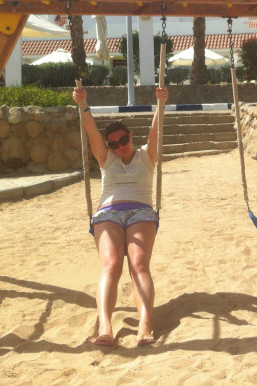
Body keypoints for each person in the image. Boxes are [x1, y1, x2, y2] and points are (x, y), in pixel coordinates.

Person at [73, 85, 168, 347]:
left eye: (123, 140)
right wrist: (83, 104)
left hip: (141, 211)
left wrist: (160, 103)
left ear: (130, 136)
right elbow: (92, 132)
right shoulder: (107, 160)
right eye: (113, 144)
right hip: (109, 213)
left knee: (138, 265)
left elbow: (155, 131)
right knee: (112, 265)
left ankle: (145, 323)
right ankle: (105, 325)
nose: (120, 147)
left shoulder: (146, 156)